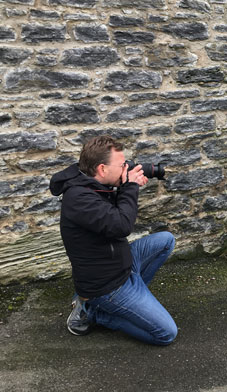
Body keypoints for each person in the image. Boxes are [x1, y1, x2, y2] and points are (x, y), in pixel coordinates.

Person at [49, 135, 177, 345]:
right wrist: (130, 188)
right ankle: (95, 312)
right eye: (121, 165)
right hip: (107, 285)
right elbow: (120, 226)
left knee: (166, 240)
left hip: (121, 265)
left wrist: (127, 186)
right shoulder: (78, 199)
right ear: (102, 169)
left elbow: (108, 213)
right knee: (166, 334)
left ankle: (133, 299)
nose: (125, 168)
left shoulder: (91, 183)